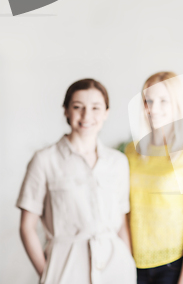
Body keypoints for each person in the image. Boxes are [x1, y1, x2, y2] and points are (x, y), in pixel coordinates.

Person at [17, 79, 136, 284]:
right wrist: (47, 273)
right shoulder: (45, 160)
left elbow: (121, 223)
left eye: (95, 108)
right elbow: (27, 227)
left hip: (115, 269)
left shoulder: (118, 162)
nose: (86, 116)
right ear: (66, 111)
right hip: (65, 270)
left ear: (106, 112)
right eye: (77, 107)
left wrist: (129, 265)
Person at [124, 72, 183, 284]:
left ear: (177, 105)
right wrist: (126, 264)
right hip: (133, 265)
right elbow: (123, 211)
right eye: (148, 101)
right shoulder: (130, 151)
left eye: (164, 101)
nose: (153, 109)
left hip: (175, 267)